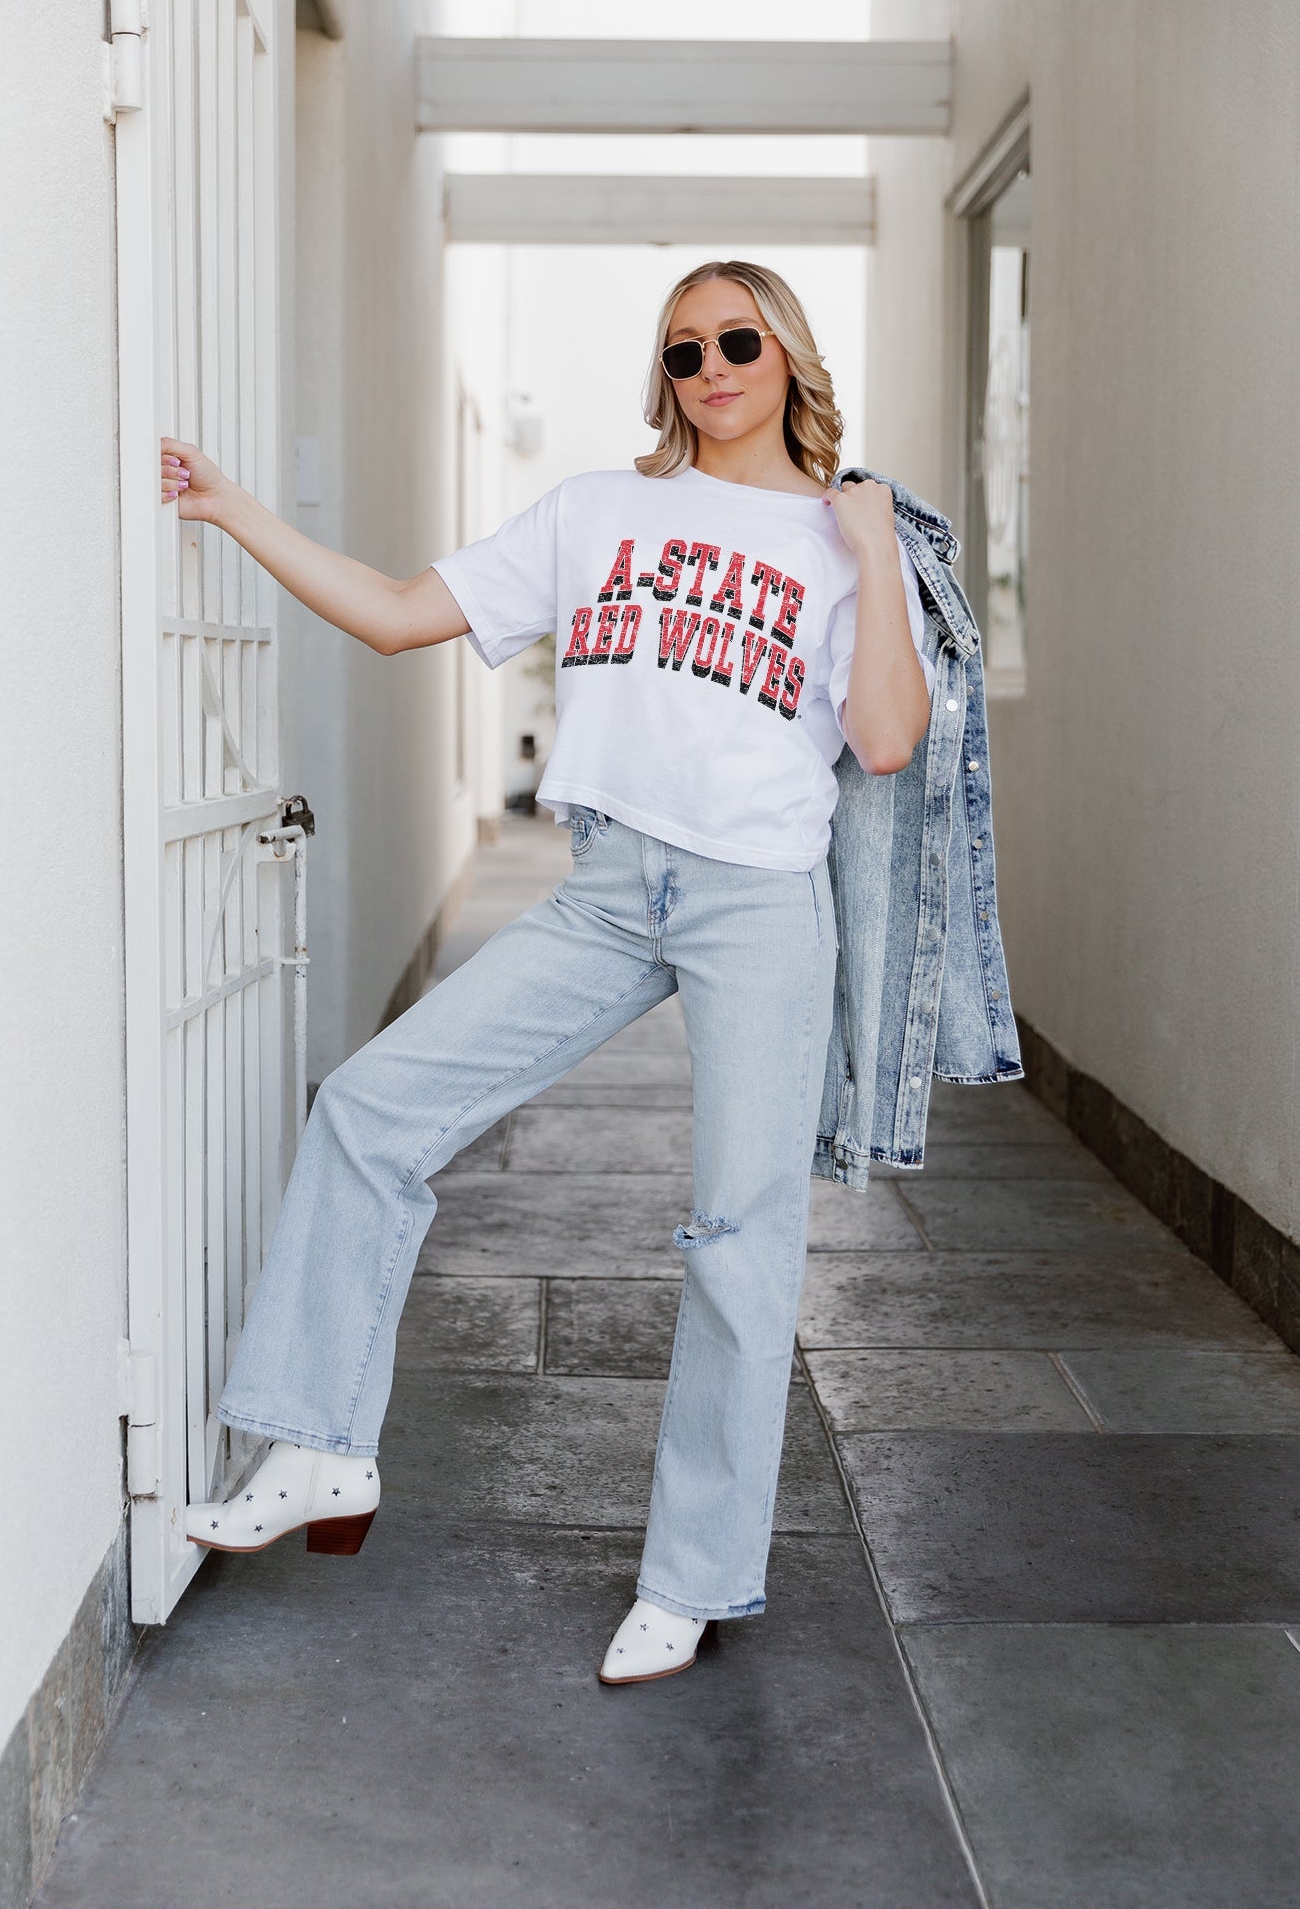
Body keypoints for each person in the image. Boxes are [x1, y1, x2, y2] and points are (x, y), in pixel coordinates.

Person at [163, 259, 937, 1686]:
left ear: (787, 358)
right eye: (683, 348)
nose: (710, 367)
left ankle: (693, 1580)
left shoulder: (842, 542)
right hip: (607, 889)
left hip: (757, 903)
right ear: (665, 375)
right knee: (370, 1105)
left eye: (737, 341)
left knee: (737, 1241)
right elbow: (402, 613)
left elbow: (884, 738)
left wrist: (875, 546)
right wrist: (231, 508)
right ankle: (319, 1444)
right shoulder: (599, 509)